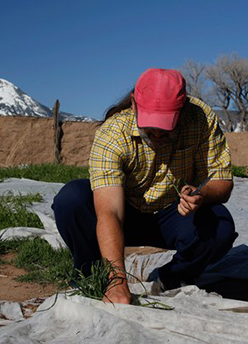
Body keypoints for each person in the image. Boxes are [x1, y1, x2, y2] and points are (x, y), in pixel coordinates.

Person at [52, 68, 237, 304]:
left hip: (175, 214)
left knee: (220, 225)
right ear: (134, 105)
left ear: (183, 111)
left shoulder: (201, 118)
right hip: (125, 213)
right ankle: (92, 274)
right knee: (72, 200)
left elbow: (223, 181)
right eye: (151, 128)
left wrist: (201, 195)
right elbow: (109, 210)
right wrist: (117, 281)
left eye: (166, 129)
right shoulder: (113, 133)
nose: (157, 135)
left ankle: (172, 278)